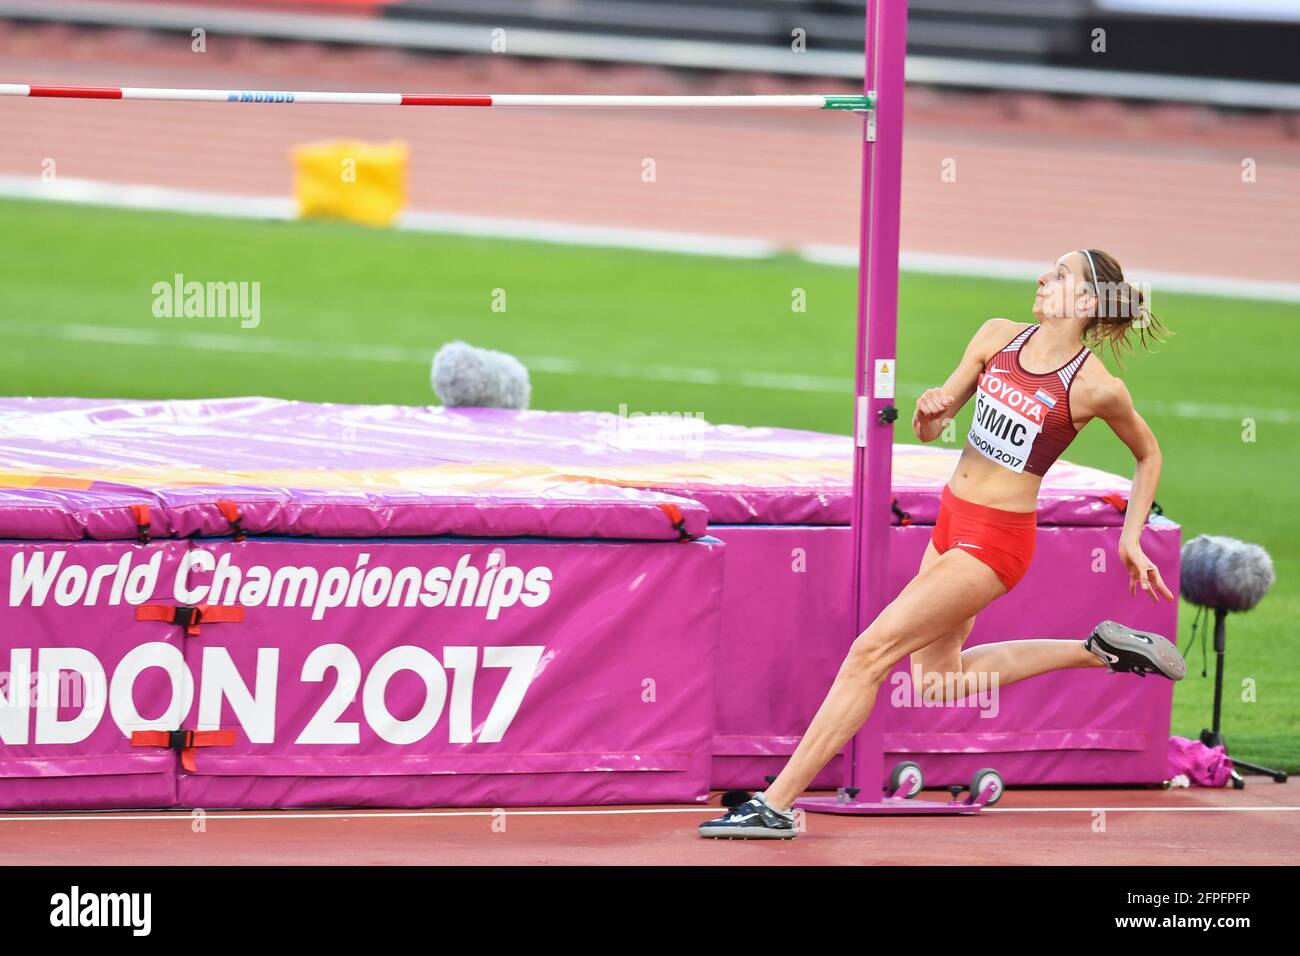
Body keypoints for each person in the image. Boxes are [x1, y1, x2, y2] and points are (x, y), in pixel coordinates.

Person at [700, 249, 1185, 839]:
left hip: (996, 544)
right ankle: (1098, 650)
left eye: (1058, 276)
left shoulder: (1095, 387)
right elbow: (934, 421)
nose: (1040, 277)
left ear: (1084, 303)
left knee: (868, 654)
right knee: (938, 680)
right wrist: (931, 411)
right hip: (951, 520)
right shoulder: (996, 336)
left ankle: (776, 805)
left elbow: (1150, 453)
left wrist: (1130, 536)